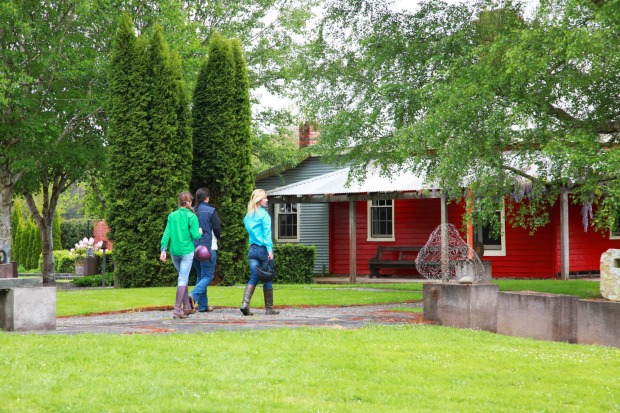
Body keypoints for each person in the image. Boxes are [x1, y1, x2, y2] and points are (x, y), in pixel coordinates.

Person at [160, 191, 203, 319]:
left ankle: (187, 307)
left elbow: (166, 233)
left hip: (174, 251)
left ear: (179, 202)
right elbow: (195, 235)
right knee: (183, 279)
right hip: (187, 251)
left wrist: (163, 250)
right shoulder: (192, 216)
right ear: (190, 202)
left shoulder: (172, 216)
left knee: (182, 278)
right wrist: (200, 232)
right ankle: (177, 310)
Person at [241, 188, 279, 316]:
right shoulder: (264, 215)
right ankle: (269, 309)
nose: (267, 200)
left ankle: (245, 304)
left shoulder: (248, 216)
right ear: (258, 200)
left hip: (252, 250)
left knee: (254, 277)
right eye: (264, 198)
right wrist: (270, 250)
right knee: (267, 278)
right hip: (263, 250)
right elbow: (267, 234)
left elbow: (251, 234)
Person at [188, 188, 222, 313]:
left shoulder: (192, 212)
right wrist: (217, 237)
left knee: (201, 276)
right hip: (208, 247)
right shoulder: (211, 211)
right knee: (208, 276)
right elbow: (217, 228)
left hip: (194, 247)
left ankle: (202, 306)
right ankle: (192, 295)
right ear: (207, 198)